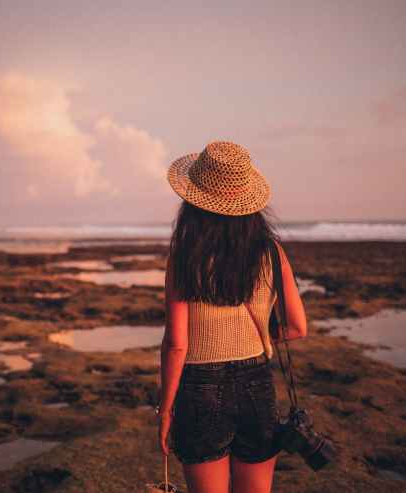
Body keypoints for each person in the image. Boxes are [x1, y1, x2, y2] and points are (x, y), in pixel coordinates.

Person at [157, 141, 308, 493]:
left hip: (199, 388)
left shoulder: (184, 257)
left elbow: (177, 345)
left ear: (193, 202)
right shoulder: (271, 251)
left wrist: (165, 410)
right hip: (257, 384)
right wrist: (258, 336)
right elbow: (298, 328)